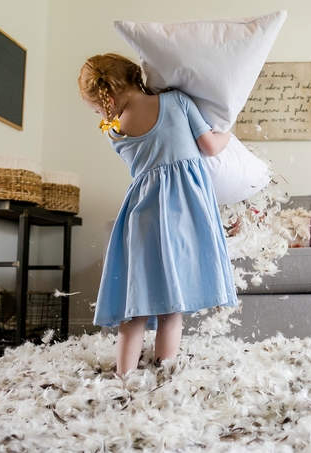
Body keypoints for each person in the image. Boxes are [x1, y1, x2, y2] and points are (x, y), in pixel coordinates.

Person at [78, 53, 238, 376]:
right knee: (171, 306)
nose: (101, 114)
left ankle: (124, 377)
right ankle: (165, 372)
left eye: (98, 109)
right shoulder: (177, 102)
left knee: (134, 307)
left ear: (107, 98)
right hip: (182, 216)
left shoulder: (114, 133)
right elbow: (209, 146)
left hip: (141, 218)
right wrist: (228, 134)